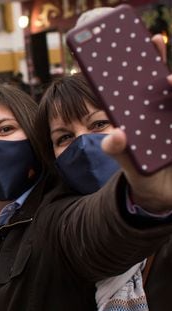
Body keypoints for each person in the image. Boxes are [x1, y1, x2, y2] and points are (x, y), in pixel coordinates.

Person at [0, 83, 172, 310]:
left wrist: (142, 198)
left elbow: (95, 229)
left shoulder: (55, 214)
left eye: (5, 129)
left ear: (35, 139)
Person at [36, 73, 172, 310]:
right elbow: (95, 232)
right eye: (65, 137)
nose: (84, 143)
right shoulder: (55, 217)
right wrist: (141, 202)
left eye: (98, 124)